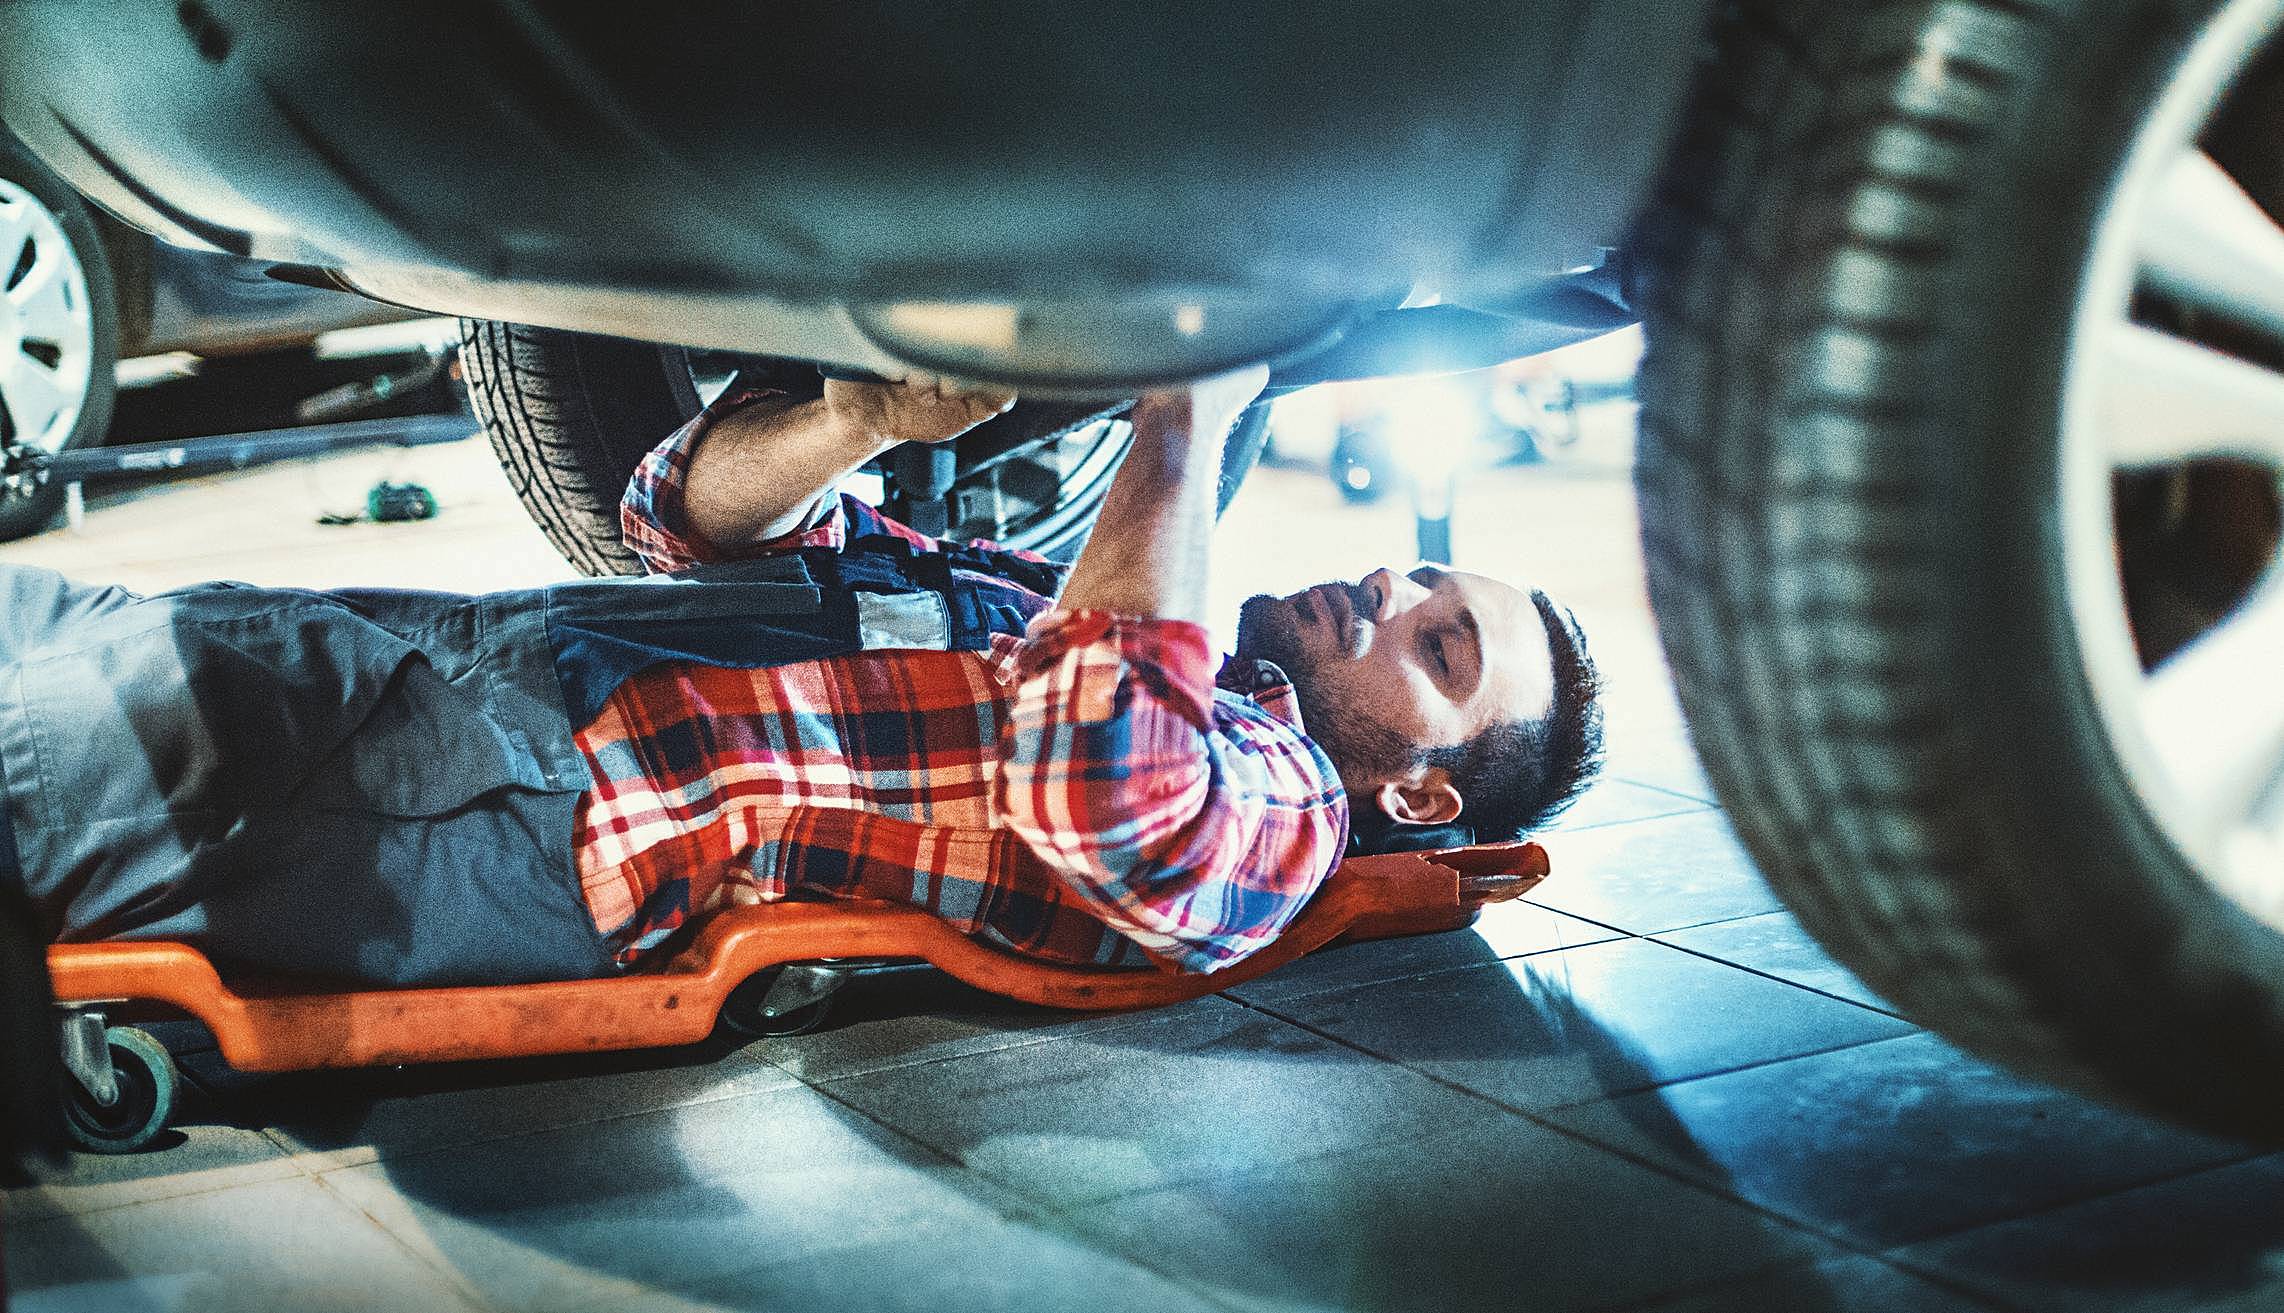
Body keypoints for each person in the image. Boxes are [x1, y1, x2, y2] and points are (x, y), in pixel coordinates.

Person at [0, 367, 1602, 995]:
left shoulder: (1284, 809)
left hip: (488, 795)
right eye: (1416, 575)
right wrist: (866, 420)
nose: (1386, 589)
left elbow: (1107, 782)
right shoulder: (1060, 605)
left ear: (1426, 789)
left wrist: (1186, 403)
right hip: (410, 667)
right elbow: (671, 521)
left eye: (1436, 641)